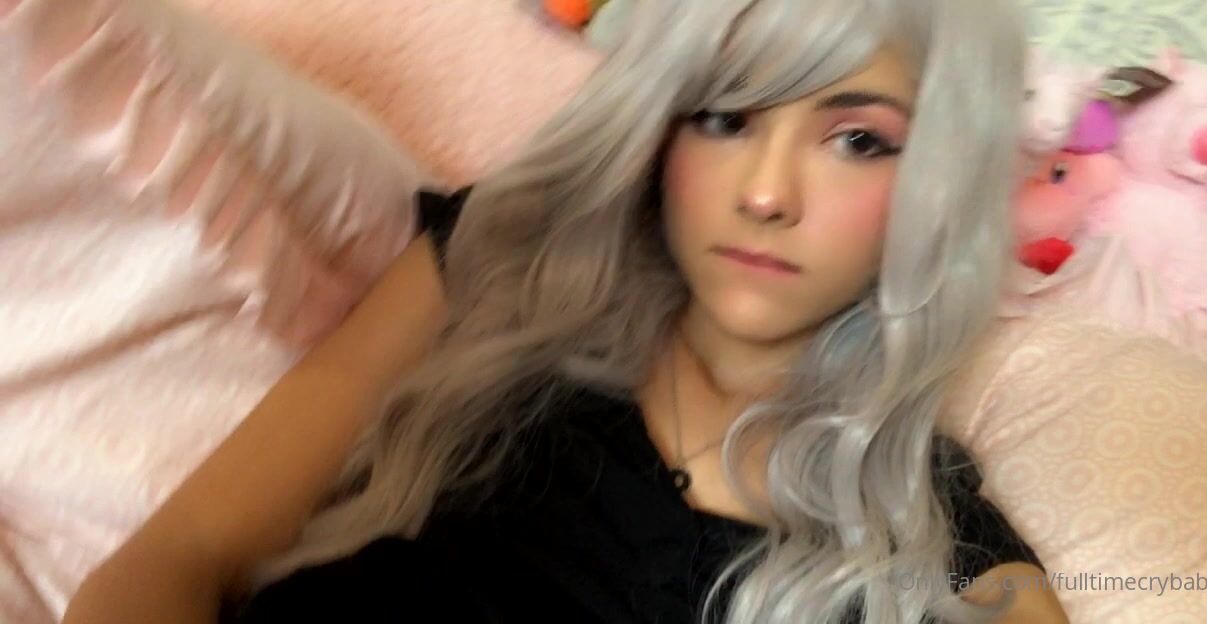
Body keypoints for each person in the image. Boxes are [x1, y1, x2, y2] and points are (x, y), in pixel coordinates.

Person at [65, 0, 1070, 622]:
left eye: (856, 141)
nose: (766, 193)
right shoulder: (499, 268)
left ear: (938, 182)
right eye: (723, 117)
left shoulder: (933, 541)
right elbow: (170, 565)